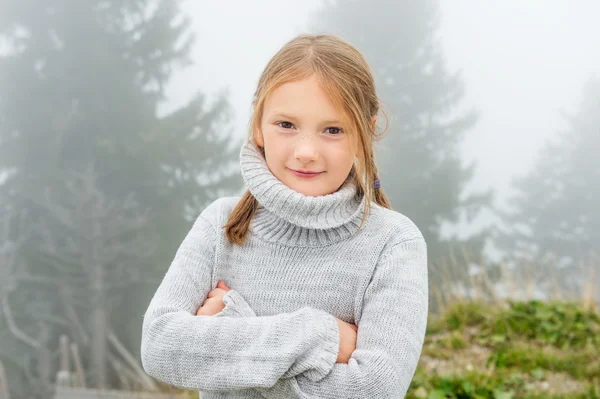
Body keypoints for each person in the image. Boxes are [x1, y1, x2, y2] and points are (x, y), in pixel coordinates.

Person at [141, 33, 428, 399]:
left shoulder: (392, 243)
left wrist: (232, 330)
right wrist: (317, 336)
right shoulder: (221, 224)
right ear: (258, 125)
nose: (306, 151)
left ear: (364, 134)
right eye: (286, 125)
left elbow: (374, 389)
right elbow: (159, 346)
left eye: (333, 130)